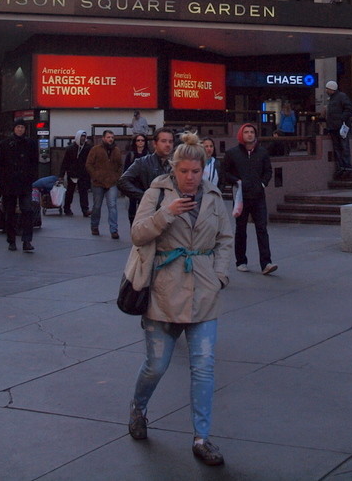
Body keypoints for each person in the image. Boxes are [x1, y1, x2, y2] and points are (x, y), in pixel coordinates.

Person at [127, 132, 234, 467]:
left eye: (196, 171)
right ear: (173, 169)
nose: (190, 177)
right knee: (156, 365)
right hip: (163, 290)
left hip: (204, 291)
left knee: (203, 368)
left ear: (204, 169)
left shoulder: (214, 197)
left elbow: (225, 238)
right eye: (184, 171)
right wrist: (166, 213)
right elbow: (138, 233)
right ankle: (138, 408)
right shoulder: (157, 193)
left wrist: (219, 275)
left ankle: (202, 437)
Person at [222, 123, 276, 275]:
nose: (250, 134)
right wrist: (237, 181)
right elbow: (225, 172)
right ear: (241, 135)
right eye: (246, 132)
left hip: (258, 196)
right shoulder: (232, 153)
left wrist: (263, 184)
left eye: (252, 132)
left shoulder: (263, 153)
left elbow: (268, 171)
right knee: (241, 229)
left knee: (262, 229)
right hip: (241, 197)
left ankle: (266, 262)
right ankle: (241, 261)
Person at [0, 121, 40, 252]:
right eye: (18, 127)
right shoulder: (5, 144)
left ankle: (27, 240)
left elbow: (34, 162)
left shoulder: (30, 143)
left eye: (22, 127)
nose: (20, 129)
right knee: (10, 213)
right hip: (9, 183)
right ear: (14, 129)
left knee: (28, 211)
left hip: (25, 182)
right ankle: (11, 240)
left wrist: (32, 178)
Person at [119, 127, 175, 223]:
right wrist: (144, 196)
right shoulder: (142, 162)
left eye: (170, 141)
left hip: (171, 212)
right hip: (150, 213)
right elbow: (123, 181)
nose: (168, 145)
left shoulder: (176, 164)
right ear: (155, 144)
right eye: (164, 141)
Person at [87, 129, 124, 239]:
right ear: (103, 138)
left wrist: (116, 177)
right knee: (97, 206)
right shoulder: (95, 149)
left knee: (112, 206)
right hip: (98, 182)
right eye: (108, 137)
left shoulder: (116, 150)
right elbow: (89, 164)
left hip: (112, 182)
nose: (110, 139)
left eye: (112, 137)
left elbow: (120, 165)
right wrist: (95, 175)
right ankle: (94, 226)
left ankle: (114, 230)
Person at [324, 79, 352, 178]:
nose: (326, 91)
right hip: (333, 127)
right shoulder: (334, 98)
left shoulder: (341, 97)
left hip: (341, 126)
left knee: (343, 147)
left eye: (327, 89)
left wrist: (341, 119)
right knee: (338, 148)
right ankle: (342, 166)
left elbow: (348, 109)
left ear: (331, 89)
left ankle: (346, 166)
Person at [60, 130, 92, 218]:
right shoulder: (70, 149)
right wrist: (61, 175)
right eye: (82, 136)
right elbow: (65, 162)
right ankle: (67, 208)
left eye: (84, 137)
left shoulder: (88, 148)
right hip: (72, 173)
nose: (83, 138)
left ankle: (85, 210)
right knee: (70, 192)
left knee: (83, 192)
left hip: (83, 174)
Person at [123, 133, 150, 223]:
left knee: (144, 206)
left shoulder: (149, 155)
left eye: (142, 140)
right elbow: (126, 170)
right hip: (133, 184)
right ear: (135, 142)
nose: (140, 142)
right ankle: (132, 223)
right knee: (132, 205)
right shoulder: (131, 155)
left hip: (145, 184)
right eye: (138, 140)